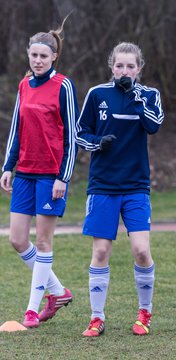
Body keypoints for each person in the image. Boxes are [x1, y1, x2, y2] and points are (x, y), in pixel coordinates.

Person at [75, 42, 164, 336]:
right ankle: (97, 317)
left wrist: (134, 97)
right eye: (119, 66)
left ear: (139, 68)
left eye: (130, 66)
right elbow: (79, 133)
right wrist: (97, 142)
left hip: (136, 186)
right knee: (100, 252)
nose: (124, 71)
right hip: (103, 186)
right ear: (111, 66)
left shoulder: (149, 95)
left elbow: (154, 126)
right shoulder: (97, 94)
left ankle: (144, 312)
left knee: (140, 251)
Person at [0, 18, 79, 328]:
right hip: (25, 173)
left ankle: (32, 310)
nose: (37, 60)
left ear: (53, 57)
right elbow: (16, 129)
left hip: (51, 176)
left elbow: (72, 136)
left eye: (43, 56)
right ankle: (58, 292)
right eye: (33, 55)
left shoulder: (63, 86)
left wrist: (64, 176)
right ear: (28, 55)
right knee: (18, 240)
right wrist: (8, 167)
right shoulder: (23, 84)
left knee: (44, 243)